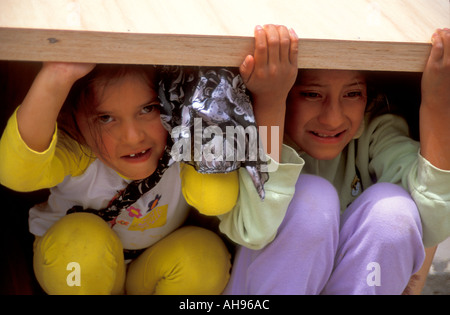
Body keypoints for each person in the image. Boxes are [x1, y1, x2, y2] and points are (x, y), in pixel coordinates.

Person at [0, 25, 305, 294]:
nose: (132, 137)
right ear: (74, 120)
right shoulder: (81, 149)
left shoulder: (179, 143)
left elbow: (217, 200)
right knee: (79, 245)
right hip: (80, 273)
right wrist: (56, 76)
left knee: (203, 257)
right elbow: (17, 173)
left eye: (148, 109)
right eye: (106, 118)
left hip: (152, 262)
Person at [225, 28, 450, 294]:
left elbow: (431, 224)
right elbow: (256, 230)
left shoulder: (373, 129)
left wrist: (438, 104)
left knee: (395, 210)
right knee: (313, 200)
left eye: (353, 94)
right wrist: (270, 104)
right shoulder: (243, 132)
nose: (333, 118)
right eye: (311, 94)